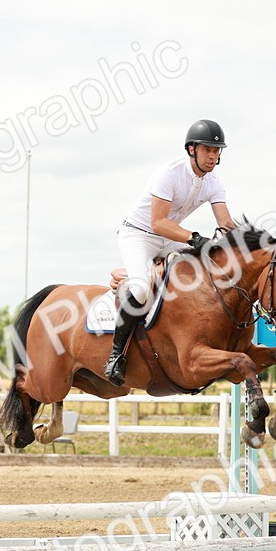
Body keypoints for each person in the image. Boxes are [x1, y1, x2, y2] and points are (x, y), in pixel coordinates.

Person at [106, 119, 237, 385]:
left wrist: (248, 245)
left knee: (207, 267)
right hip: (139, 234)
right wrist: (194, 238)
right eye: (208, 150)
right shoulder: (169, 173)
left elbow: (226, 224)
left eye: (217, 151)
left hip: (170, 238)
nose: (213, 156)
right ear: (192, 149)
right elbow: (158, 222)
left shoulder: (214, 182)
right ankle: (116, 356)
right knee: (142, 289)